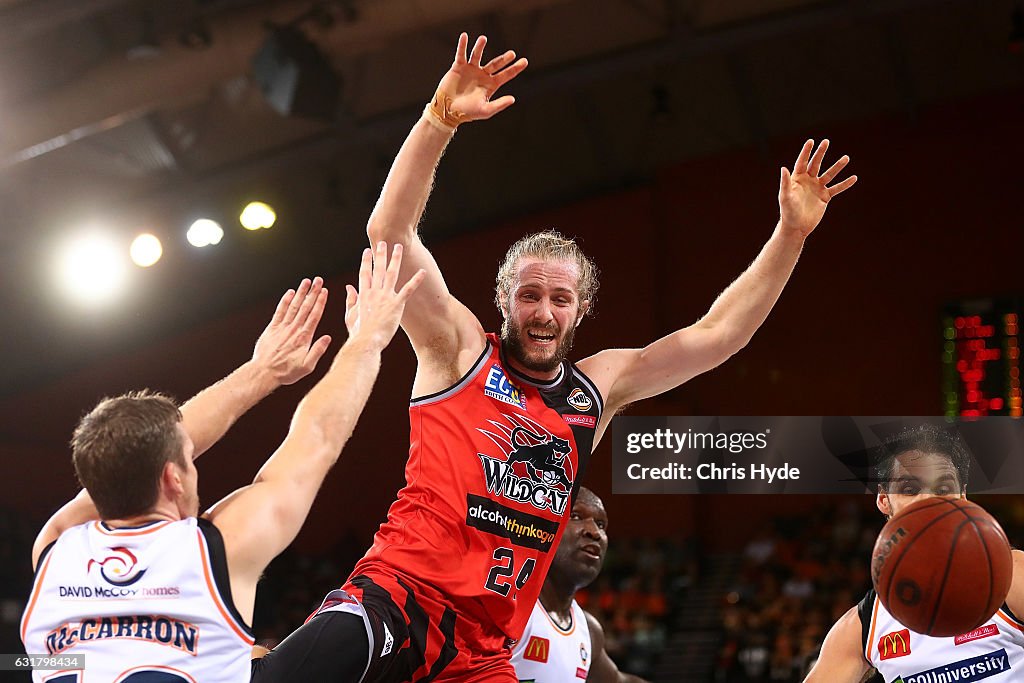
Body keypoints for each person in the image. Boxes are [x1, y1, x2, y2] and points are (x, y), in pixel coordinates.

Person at [255, 32, 857, 683]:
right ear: (504, 300)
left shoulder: (596, 388)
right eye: (530, 294)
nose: (544, 311)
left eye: (560, 298)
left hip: (482, 651)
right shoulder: (457, 348)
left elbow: (720, 335)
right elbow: (388, 232)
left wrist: (791, 234)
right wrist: (440, 119)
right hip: (397, 600)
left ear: (581, 309)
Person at [21, 245, 424, 682]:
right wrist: (369, 338)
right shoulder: (218, 551)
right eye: (189, 458)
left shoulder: (56, 547)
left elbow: (136, 451)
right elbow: (318, 437)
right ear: (173, 476)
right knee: (361, 619)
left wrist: (264, 370)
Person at [805, 424, 1024, 682]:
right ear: (884, 500)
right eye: (910, 489)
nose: (929, 501)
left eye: (943, 489)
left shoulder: (1013, 573)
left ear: (963, 497)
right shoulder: (861, 625)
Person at [511, 487, 648, 683]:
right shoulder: (509, 607)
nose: (594, 532)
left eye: (601, 524)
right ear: (541, 529)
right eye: (575, 516)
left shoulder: (588, 630)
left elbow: (620, 681)